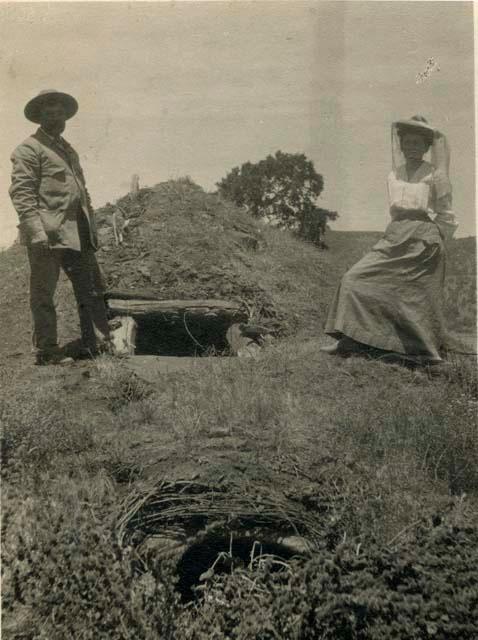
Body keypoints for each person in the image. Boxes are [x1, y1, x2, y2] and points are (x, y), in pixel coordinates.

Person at [322, 115, 457, 365]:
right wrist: (395, 233)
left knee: (415, 296)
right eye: (408, 142)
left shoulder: (435, 175)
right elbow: (395, 211)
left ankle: (424, 352)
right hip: (395, 234)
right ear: (402, 145)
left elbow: (446, 213)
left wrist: (434, 238)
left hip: (424, 236)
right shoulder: (394, 175)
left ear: (427, 147)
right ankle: (350, 338)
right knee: (354, 278)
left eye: (418, 143)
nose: (412, 147)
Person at [9, 89, 112, 365]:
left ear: (66, 117)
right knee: (44, 293)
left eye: (60, 112)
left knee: (90, 289)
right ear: (39, 117)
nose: (56, 116)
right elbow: (22, 193)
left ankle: (95, 343)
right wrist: (36, 231)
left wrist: (92, 229)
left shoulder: (68, 150)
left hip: (77, 233)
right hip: (48, 235)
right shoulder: (29, 149)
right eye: (49, 112)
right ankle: (47, 351)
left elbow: (82, 192)